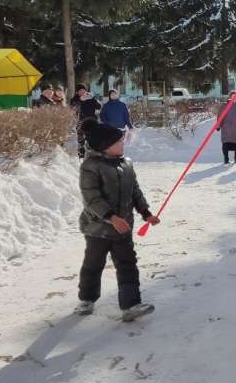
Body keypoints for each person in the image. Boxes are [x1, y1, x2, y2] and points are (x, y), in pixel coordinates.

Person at [74, 120, 160, 322]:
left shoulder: (126, 163)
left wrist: (146, 213)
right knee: (93, 264)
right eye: (119, 142)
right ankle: (87, 298)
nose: (123, 144)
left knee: (127, 264)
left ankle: (131, 305)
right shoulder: (90, 167)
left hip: (123, 228)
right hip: (98, 229)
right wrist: (111, 217)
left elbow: (135, 192)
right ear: (104, 146)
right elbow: (91, 199)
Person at [71, 84, 102, 159]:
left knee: (92, 138)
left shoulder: (90, 97)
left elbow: (98, 106)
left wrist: (93, 99)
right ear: (77, 92)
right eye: (80, 91)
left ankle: (93, 153)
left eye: (83, 90)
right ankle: (81, 154)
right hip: (81, 121)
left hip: (92, 121)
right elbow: (73, 107)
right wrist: (80, 100)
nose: (82, 92)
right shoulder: (75, 99)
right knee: (81, 138)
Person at [218, 92, 236, 164]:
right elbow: (220, 116)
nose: (234, 98)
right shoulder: (224, 106)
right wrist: (218, 125)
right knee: (225, 144)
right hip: (226, 128)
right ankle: (226, 159)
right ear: (229, 97)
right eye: (232, 96)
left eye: (235, 96)